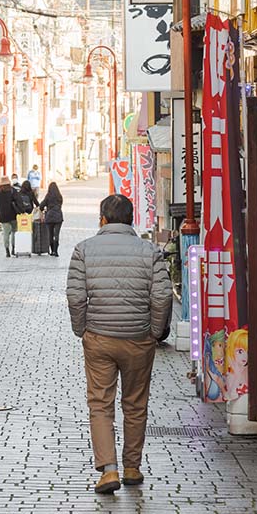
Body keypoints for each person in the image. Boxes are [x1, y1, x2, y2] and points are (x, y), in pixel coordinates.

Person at [66, 194, 172, 495]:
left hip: (99, 338)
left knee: (100, 404)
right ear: (130, 218)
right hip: (139, 339)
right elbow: (162, 297)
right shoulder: (150, 251)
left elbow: (75, 296)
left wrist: (82, 330)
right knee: (135, 404)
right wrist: (153, 331)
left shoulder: (84, 250)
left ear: (102, 219)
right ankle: (132, 467)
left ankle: (108, 470)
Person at [0, 177, 19, 257]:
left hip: (3, 216)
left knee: (6, 233)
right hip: (13, 215)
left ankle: (7, 250)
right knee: (14, 232)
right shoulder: (13, 191)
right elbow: (18, 201)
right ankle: (13, 249)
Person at [40, 182, 64, 256]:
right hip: (58, 217)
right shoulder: (60, 197)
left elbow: (41, 206)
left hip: (49, 217)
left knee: (50, 235)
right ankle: (56, 251)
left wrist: (44, 209)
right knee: (56, 235)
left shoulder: (48, 196)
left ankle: (52, 250)